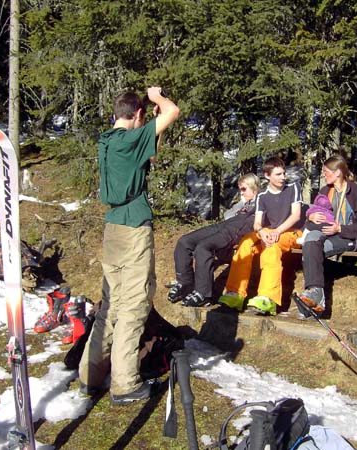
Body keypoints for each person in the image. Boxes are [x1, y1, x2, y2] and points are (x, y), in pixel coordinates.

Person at [78, 87, 180, 405]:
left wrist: (151, 125)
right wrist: (157, 97)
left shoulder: (108, 141)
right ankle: (124, 383)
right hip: (134, 228)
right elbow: (173, 111)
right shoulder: (130, 139)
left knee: (111, 305)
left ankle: (90, 375)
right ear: (136, 114)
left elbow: (146, 156)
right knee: (134, 306)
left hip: (113, 230)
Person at [218, 157, 302, 316]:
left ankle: (267, 298)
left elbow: (295, 215)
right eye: (278, 174)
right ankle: (234, 294)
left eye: (283, 173)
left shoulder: (293, 187)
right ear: (267, 175)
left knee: (272, 247)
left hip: (291, 232)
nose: (283, 177)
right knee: (246, 244)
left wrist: (277, 231)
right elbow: (257, 224)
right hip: (269, 232)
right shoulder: (262, 196)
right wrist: (262, 232)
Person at [167, 173, 260, 307]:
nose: (241, 192)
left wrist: (254, 200)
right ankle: (185, 283)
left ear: (255, 188)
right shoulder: (243, 203)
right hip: (223, 226)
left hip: (235, 231)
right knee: (184, 241)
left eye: (244, 189)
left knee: (204, 247)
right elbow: (228, 215)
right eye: (240, 189)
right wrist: (243, 202)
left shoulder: (262, 202)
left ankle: (203, 294)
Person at [298, 155, 357, 314]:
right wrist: (311, 217)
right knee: (310, 240)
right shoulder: (325, 191)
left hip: (349, 237)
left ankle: (316, 298)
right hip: (327, 233)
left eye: (326, 172)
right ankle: (315, 291)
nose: (324, 175)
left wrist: (340, 229)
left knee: (313, 250)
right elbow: (312, 222)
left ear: (338, 172)